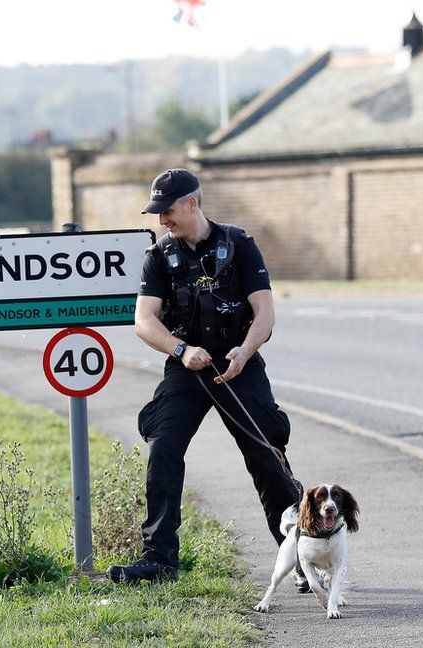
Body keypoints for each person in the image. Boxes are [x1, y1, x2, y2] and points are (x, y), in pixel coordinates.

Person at [107, 168, 302, 585]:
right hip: (186, 368)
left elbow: (265, 313)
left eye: (168, 211)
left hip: (238, 365)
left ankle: (300, 555)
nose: (163, 220)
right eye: (158, 213)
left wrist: (245, 351)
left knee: (267, 457)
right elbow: (144, 320)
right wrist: (180, 349)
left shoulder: (241, 245)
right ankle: (158, 560)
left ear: (192, 203)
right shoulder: (158, 256)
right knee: (163, 449)